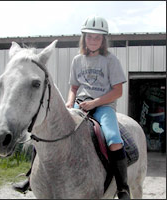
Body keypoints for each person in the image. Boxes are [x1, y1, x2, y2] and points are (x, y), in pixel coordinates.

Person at [65, 16, 130, 199]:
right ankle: (31, 176)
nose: (93, 40)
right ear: (84, 38)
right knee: (52, 126)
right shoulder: (77, 60)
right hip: (80, 104)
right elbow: (73, 88)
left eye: (97, 37)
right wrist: (70, 102)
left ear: (103, 40)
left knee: (113, 139)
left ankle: (123, 188)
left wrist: (94, 103)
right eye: (90, 37)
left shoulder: (110, 60)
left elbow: (118, 91)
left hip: (103, 106)